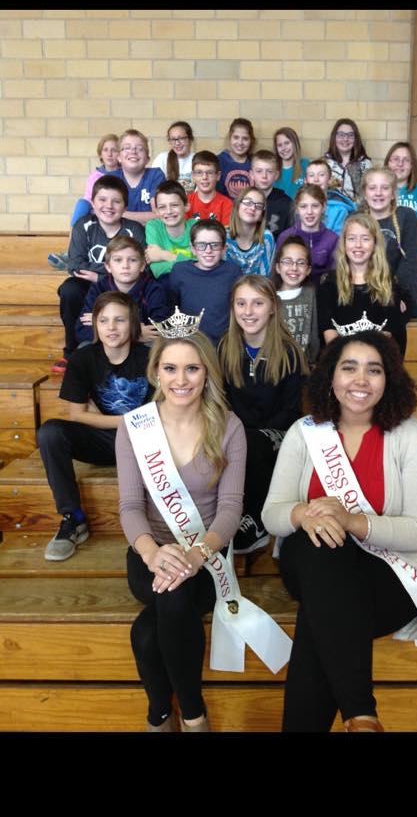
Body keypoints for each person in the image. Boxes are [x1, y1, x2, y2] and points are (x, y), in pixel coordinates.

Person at [262, 330, 417, 733]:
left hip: (391, 578)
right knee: (323, 547)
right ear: (331, 376)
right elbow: (272, 515)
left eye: (373, 370)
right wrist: (303, 514)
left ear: (388, 380)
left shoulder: (410, 435)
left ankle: (359, 717)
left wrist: (351, 521)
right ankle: (361, 714)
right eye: (349, 368)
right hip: (314, 564)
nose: (360, 380)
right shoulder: (304, 432)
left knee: (321, 616)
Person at [116, 330, 247, 732]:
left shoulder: (229, 427)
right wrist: (152, 552)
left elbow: (230, 509)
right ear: (156, 372)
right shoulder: (134, 427)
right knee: (171, 596)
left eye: (192, 369)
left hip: (206, 556)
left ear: (207, 373)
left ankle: (161, 715)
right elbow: (130, 506)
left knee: (147, 631)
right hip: (149, 554)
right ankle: (194, 716)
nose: (181, 379)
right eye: (170, 368)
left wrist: (195, 555)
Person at [38, 292, 152, 562]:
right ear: (95, 325)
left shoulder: (150, 357)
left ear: (133, 324)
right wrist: (126, 421)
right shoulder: (82, 359)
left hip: (146, 440)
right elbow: (76, 414)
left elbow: (162, 414)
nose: (111, 327)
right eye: (104, 320)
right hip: (105, 439)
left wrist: (136, 425)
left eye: (119, 320)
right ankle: (73, 518)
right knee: (50, 433)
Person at [218, 275, 307, 553]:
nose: (248, 311)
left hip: (279, 434)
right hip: (239, 432)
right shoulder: (225, 347)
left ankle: (256, 520)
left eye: (257, 303)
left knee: (251, 443)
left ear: (272, 308)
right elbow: (222, 402)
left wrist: (250, 435)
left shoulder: (289, 351)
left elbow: (291, 410)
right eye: (241, 303)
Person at [53, 175, 146, 373]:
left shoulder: (134, 229)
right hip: (90, 286)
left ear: (125, 206)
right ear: (93, 203)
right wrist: (105, 274)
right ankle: (71, 352)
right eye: (102, 200)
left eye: (116, 201)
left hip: (123, 285)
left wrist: (100, 276)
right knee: (70, 289)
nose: (109, 206)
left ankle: (130, 347)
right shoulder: (83, 226)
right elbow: (75, 264)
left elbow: (139, 266)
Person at [317, 212, 409, 356]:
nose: (358, 245)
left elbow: (388, 336)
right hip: (341, 361)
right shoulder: (328, 284)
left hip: (378, 361)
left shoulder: (388, 284)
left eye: (365, 239)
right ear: (344, 243)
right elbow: (330, 337)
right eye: (352, 239)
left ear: (375, 244)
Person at [75, 236, 171, 346]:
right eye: (118, 260)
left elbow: (158, 329)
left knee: (154, 344)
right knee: (84, 346)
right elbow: (81, 331)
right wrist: (134, 332)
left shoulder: (154, 289)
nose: (125, 266)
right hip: (108, 344)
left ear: (142, 266)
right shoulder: (98, 289)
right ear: (108, 267)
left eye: (132, 260)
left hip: (140, 347)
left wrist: (102, 322)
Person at [360, 167, 417, 318]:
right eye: (372, 188)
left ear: (393, 193)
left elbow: (410, 257)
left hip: (400, 283)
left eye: (385, 188)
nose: (378, 193)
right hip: (366, 284)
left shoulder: (406, 216)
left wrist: (396, 292)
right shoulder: (356, 218)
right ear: (365, 193)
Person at [48, 134, 121, 270]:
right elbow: (89, 198)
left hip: (114, 210)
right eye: (105, 150)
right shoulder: (95, 176)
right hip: (96, 209)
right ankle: (70, 252)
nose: (110, 154)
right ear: (100, 154)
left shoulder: (124, 174)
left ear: (120, 153)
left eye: (114, 150)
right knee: (82, 204)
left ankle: (73, 257)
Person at [169, 220, 241, 345]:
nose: (208, 250)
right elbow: (172, 308)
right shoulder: (179, 271)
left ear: (224, 249)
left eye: (215, 245)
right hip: (189, 343)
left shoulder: (233, 271)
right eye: (201, 245)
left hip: (224, 344)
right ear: (192, 248)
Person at [275, 184, 338, 287]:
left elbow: (335, 277)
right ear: (297, 208)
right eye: (303, 206)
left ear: (324, 207)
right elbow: (277, 274)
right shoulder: (285, 237)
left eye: (315, 206)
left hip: (323, 292)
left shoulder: (333, 239)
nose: (309, 212)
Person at [273, 236, 319, 366]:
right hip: (275, 365)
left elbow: (314, 332)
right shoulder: (269, 297)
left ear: (308, 269)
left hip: (305, 365)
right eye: (287, 261)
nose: (294, 267)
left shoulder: (311, 293)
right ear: (278, 267)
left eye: (301, 262)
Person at [144, 181, 195, 298]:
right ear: (156, 211)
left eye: (174, 205)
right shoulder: (153, 226)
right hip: (165, 283)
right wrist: (189, 262)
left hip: (194, 281)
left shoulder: (195, 227)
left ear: (186, 206)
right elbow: (157, 270)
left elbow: (202, 265)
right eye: (162, 207)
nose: (169, 211)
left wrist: (163, 255)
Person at [384, 141, 417, 250]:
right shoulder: (378, 191)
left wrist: (408, 253)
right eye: (396, 159)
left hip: (410, 253)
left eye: (406, 160)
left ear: (412, 165)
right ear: (388, 162)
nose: (400, 164)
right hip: (381, 253)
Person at [109, 128, 165, 225]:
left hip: (149, 233)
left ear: (147, 159)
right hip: (120, 233)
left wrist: (119, 214)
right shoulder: (111, 179)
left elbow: (159, 215)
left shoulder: (156, 175)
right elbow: (106, 215)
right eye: (127, 148)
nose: (133, 151)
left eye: (140, 148)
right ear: (119, 157)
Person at [225, 186, 275, 276]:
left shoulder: (266, 237)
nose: (252, 208)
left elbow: (265, 277)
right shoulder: (224, 236)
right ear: (237, 206)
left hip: (257, 285)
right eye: (248, 202)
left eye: (259, 206)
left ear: (262, 215)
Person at [305, 158, 357, 235]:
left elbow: (338, 238)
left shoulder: (340, 210)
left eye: (321, 175)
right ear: (305, 181)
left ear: (330, 180)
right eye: (311, 175)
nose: (316, 179)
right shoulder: (300, 207)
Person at [249, 149, 293, 239]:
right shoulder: (244, 201)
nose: (264, 176)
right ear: (251, 174)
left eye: (269, 171)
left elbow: (291, 236)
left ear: (276, 175)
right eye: (259, 171)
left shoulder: (287, 203)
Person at [324, 118, 372, 200]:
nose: (345, 139)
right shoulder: (324, 163)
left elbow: (370, 192)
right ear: (334, 137)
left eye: (350, 135)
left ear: (356, 139)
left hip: (358, 207)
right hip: (330, 207)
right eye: (341, 135)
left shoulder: (365, 164)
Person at [186, 151, 233, 226]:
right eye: (199, 172)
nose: (204, 177)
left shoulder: (227, 204)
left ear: (218, 176)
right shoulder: (186, 202)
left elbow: (226, 232)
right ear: (193, 176)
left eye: (210, 172)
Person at [152, 121, 195, 193]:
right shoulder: (162, 159)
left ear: (190, 139)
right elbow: (155, 189)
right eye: (173, 139)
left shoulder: (197, 160)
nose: (177, 143)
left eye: (181, 138)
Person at [217, 118, 255, 199]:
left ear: (251, 141)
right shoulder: (219, 161)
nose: (240, 142)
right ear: (230, 138)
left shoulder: (255, 162)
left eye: (245, 139)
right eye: (236, 137)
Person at [273, 127, 309, 199]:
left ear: (295, 143)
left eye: (287, 143)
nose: (283, 148)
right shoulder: (272, 167)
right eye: (279, 145)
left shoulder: (306, 165)